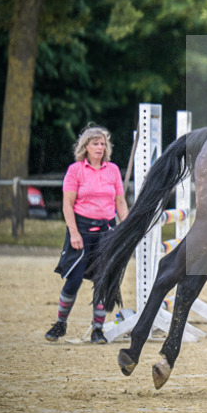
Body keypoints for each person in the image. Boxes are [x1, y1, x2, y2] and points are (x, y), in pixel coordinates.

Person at [45, 125, 129, 343]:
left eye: (102, 144)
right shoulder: (75, 170)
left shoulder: (113, 170)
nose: (100, 147)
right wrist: (74, 233)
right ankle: (60, 324)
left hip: (107, 231)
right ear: (86, 147)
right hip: (81, 231)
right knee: (74, 280)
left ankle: (97, 329)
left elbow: (120, 202)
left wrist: (127, 229)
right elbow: (67, 204)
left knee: (102, 279)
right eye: (95, 144)